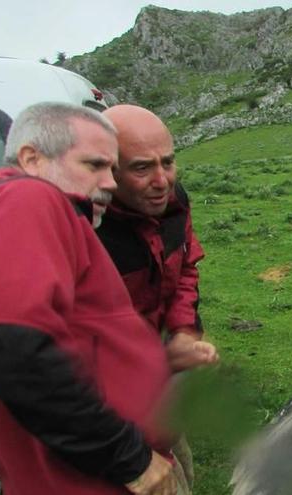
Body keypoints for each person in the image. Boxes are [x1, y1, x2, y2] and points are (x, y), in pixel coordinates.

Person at [0, 102, 177, 495]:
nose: (111, 183)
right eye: (94, 165)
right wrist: (128, 458)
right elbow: (7, 346)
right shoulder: (26, 200)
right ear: (32, 158)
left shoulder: (47, 217)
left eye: (113, 169)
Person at [97, 104, 219, 492]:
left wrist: (184, 332)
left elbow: (185, 267)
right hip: (110, 416)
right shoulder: (88, 230)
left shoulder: (172, 204)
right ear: (108, 169)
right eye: (141, 167)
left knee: (182, 471)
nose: (162, 180)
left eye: (168, 162)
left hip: (158, 390)